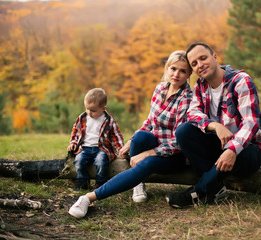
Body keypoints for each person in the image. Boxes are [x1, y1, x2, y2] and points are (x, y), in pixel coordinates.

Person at [68, 50, 193, 218]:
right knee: (140, 137)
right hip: (154, 143)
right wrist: (131, 141)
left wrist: (147, 154)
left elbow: (178, 142)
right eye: (173, 68)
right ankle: (138, 182)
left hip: (174, 155)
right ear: (166, 68)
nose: (176, 74)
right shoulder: (160, 88)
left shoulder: (187, 97)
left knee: (146, 163)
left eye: (182, 71)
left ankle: (88, 198)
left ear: (189, 74)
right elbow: (150, 121)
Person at [166, 43, 261, 208]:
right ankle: (215, 188)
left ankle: (198, 191)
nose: (200, 65)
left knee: (246, 150)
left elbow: (252, 122)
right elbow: (192, 114)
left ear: (215, 57)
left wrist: (232, 149)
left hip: (247, 150)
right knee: (184, 131)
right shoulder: (200, 86)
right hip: (218, 145)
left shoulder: (241, 81)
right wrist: (215, 126)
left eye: (203, 58)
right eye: (194, 63)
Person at [67, 88, 124, 191]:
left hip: (102, 149)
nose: (89, 112)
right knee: (79, 161)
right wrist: (73, 143)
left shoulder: (108, 120)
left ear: (103, 108)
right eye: (87, 109)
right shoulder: (82, 118)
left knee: (100, 162)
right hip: (85, 148)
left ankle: (100, 184)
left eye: (93, 110)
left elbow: (116, 136)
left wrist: (121, 149)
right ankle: (82, 183)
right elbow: (76, 131)